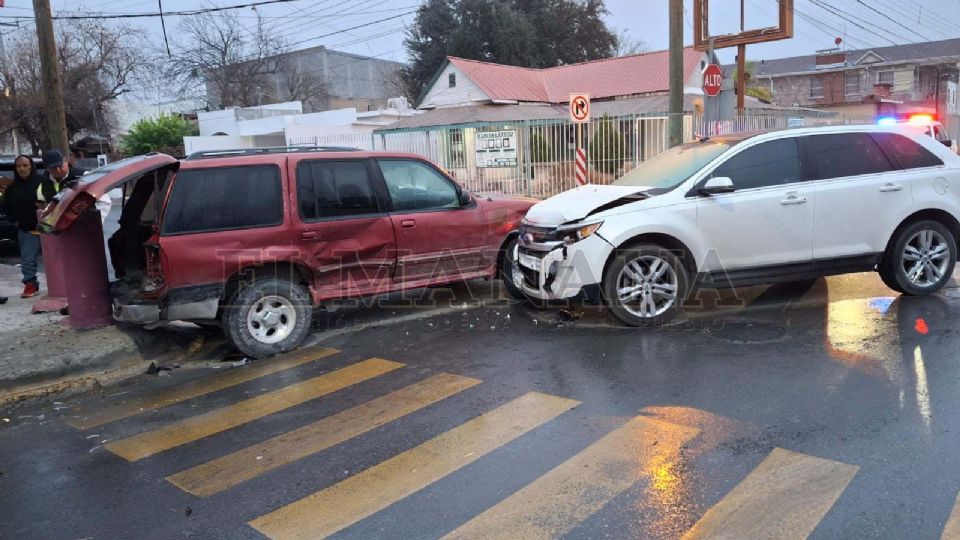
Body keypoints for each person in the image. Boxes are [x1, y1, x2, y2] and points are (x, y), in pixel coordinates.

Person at [3, 155, 43, 298]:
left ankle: (61, 285)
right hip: (27, 230)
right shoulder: (12, 188)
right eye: (19, 166)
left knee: (56, 259)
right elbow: (6, 208)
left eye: (25, 165)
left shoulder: (43, 182)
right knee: (28, 260)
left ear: (31, 166)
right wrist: (15, 221)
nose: (22, 168)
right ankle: (31, 285)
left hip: (48, 229)